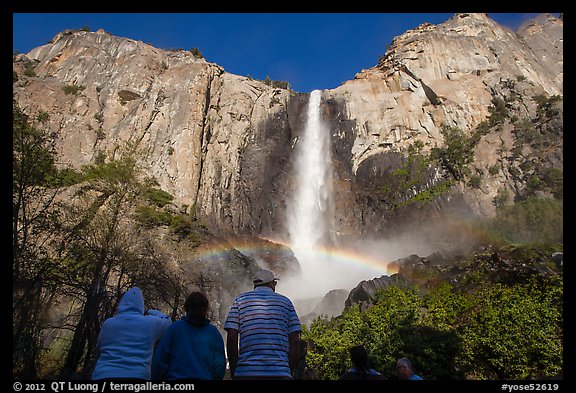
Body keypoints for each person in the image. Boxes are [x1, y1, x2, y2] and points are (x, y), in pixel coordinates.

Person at [224, 269, 302, 379]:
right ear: (271, 284)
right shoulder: (286, 302)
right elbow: (295, 339)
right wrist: (289, 369)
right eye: (274, 283)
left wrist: (234, 371)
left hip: (246, 373)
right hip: (280, 373)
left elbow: (232, 337)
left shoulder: (239, 301)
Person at [92, 287, 171, 380]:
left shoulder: (108, 324)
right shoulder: (149, 324)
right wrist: (150, 311)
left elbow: (99, 346)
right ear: (140, 305)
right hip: (137, 376)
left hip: (103, 375)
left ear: (121, 304)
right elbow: (167, 321)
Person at [151, 291, 226, 380]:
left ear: (187, 308)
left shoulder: (175, 329)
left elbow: (160, 361)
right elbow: (219, 368)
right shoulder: (214, 333)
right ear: (206, 310)